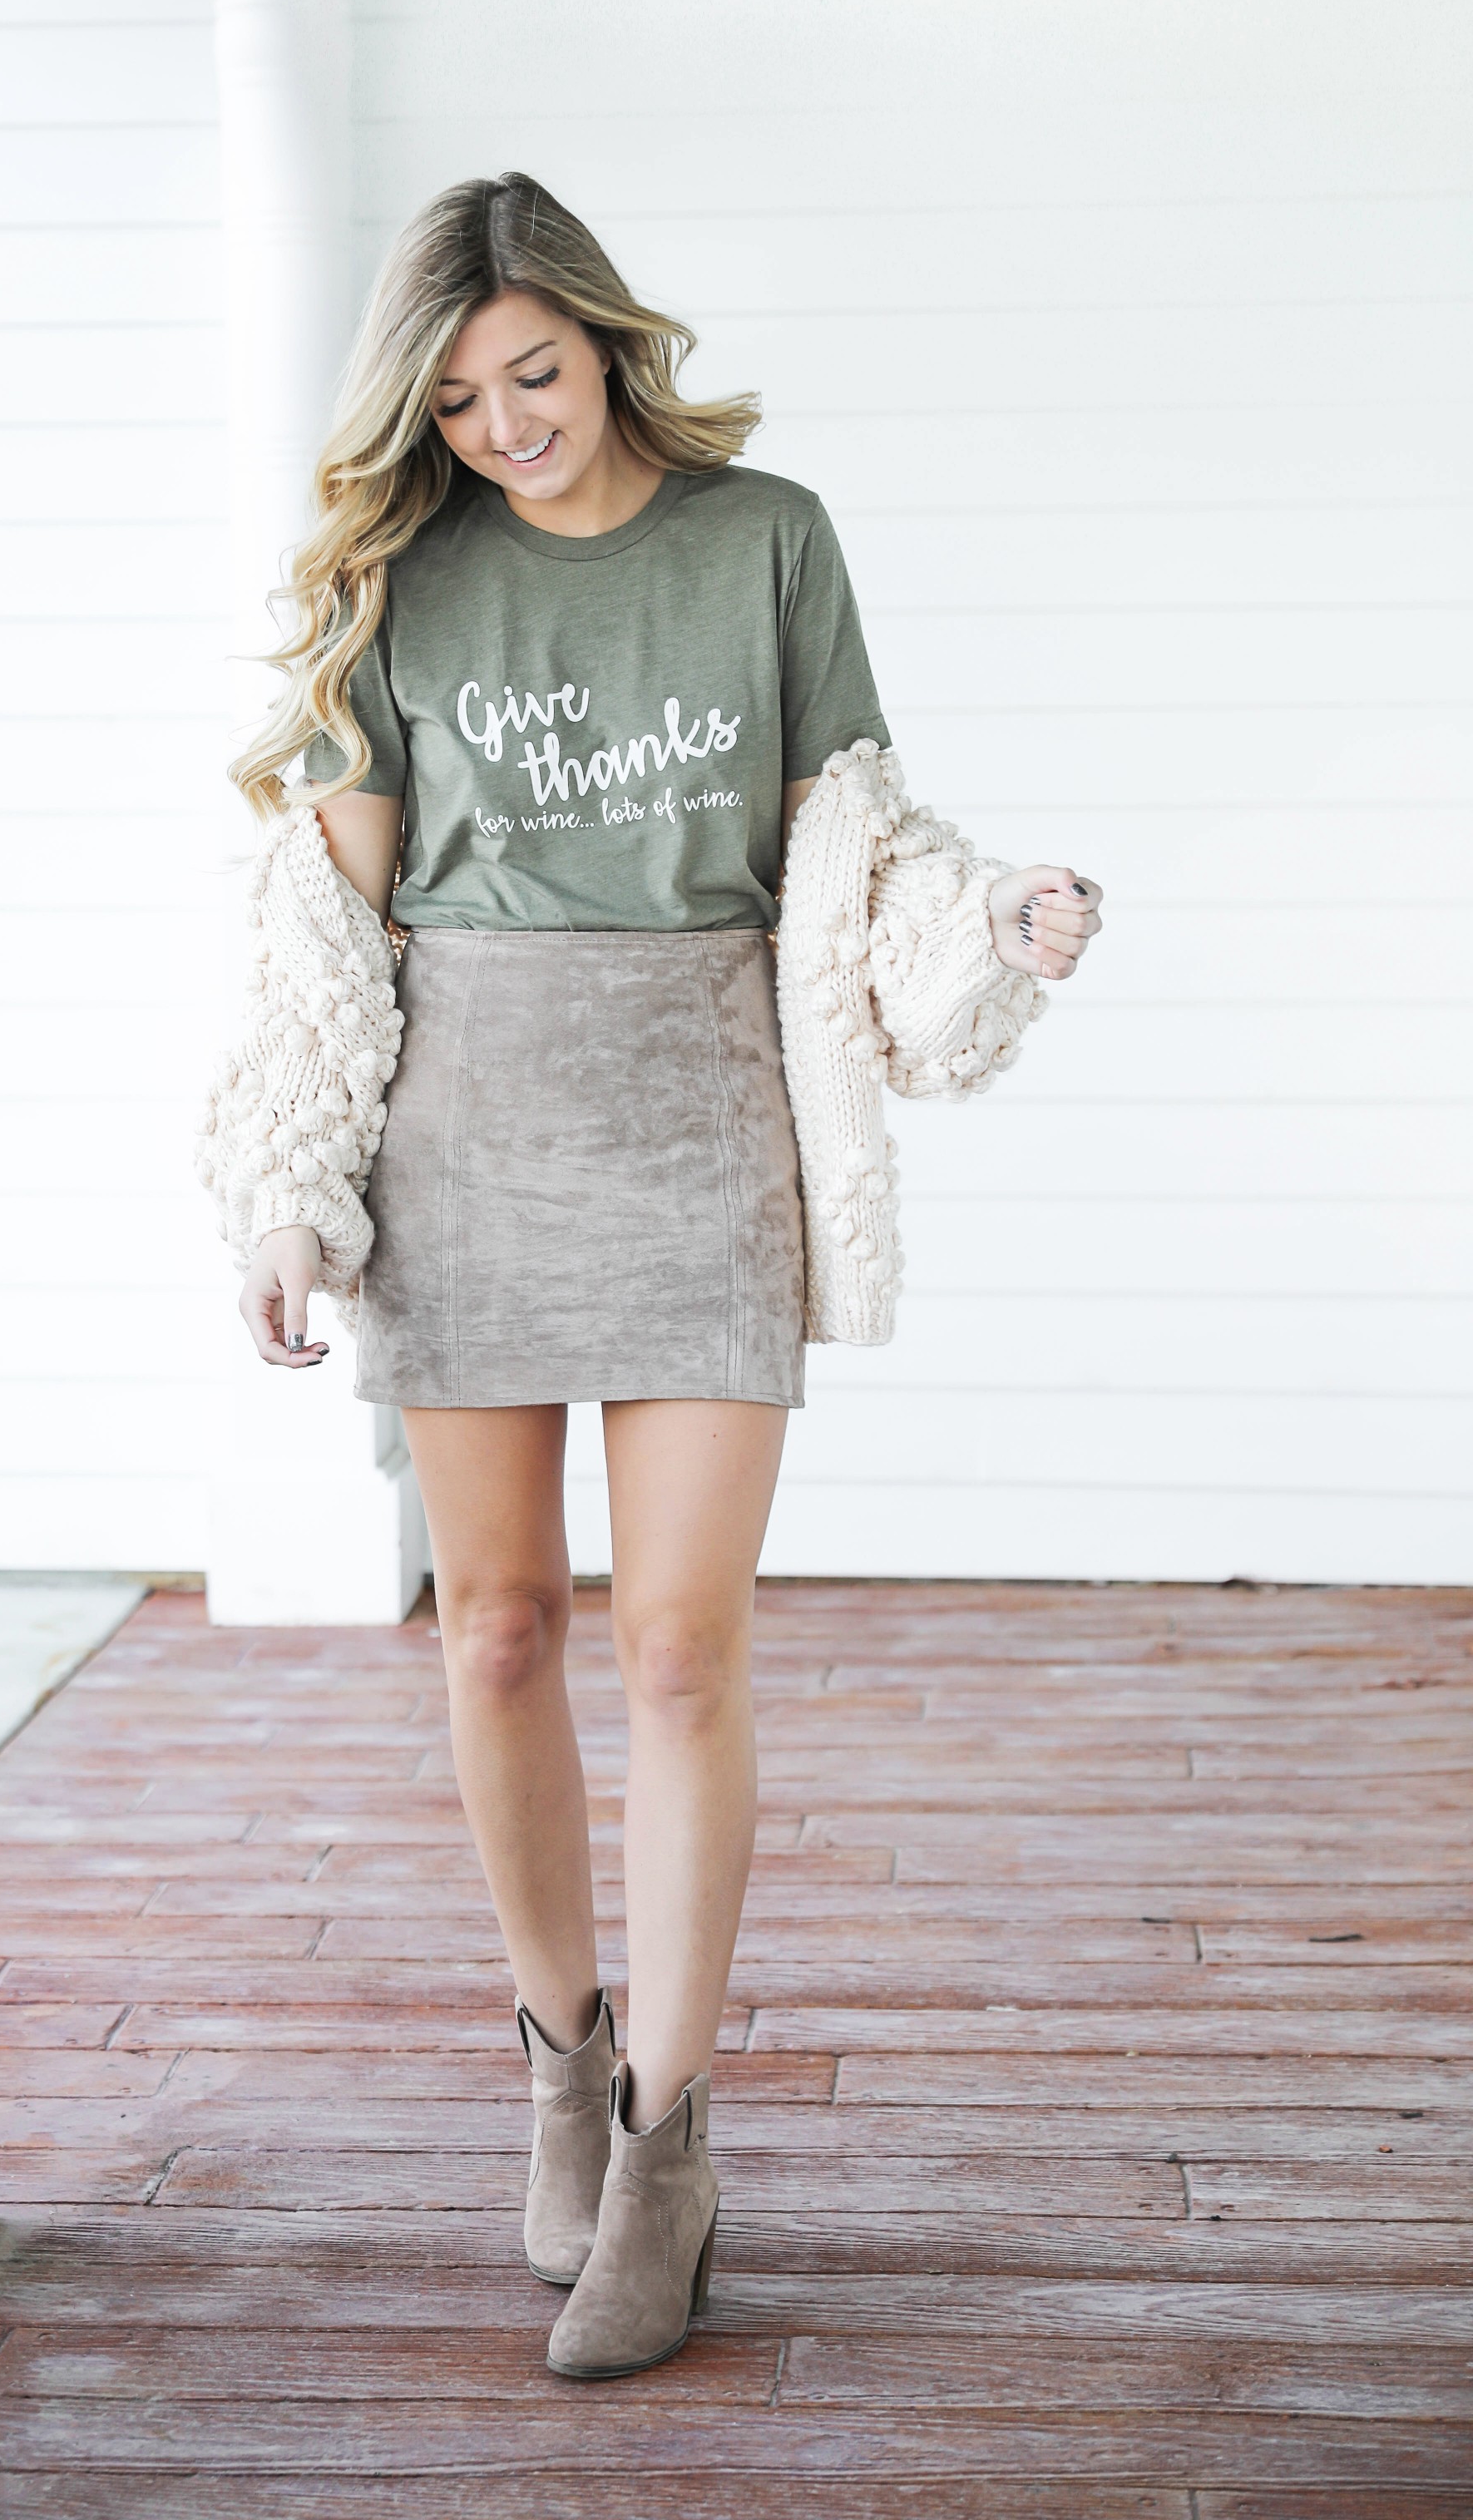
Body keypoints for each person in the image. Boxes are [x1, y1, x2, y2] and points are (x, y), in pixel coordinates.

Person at [215, 172, 1102, 2379]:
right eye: (463, 395)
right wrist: (287, 1190)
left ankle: (677, 2146)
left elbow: (858, 847)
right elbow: (326, 938)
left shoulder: (766, 541)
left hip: (707, 1123)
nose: (510, 421)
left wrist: (995, 932)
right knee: (502, 1626)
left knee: (685, 1658)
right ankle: (562, 2065)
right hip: (472, 1135)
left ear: (606, 340)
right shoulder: (403, 583)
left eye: (537, 369)